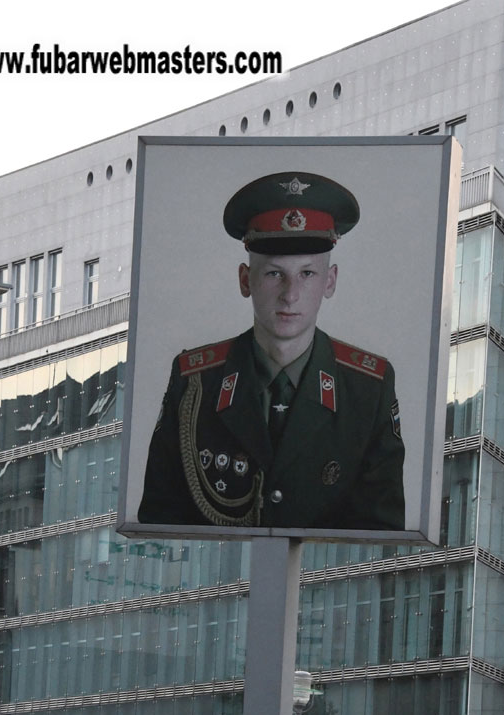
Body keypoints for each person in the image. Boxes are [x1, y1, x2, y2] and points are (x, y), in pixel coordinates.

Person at [138, 170, 405, 532]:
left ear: (330, 282)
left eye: (307, 274)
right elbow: (160, 520)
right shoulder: (195, 383)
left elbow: (380, 535)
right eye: (274, 274)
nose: (290, 294)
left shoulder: (368, 389)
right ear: (245, 281)